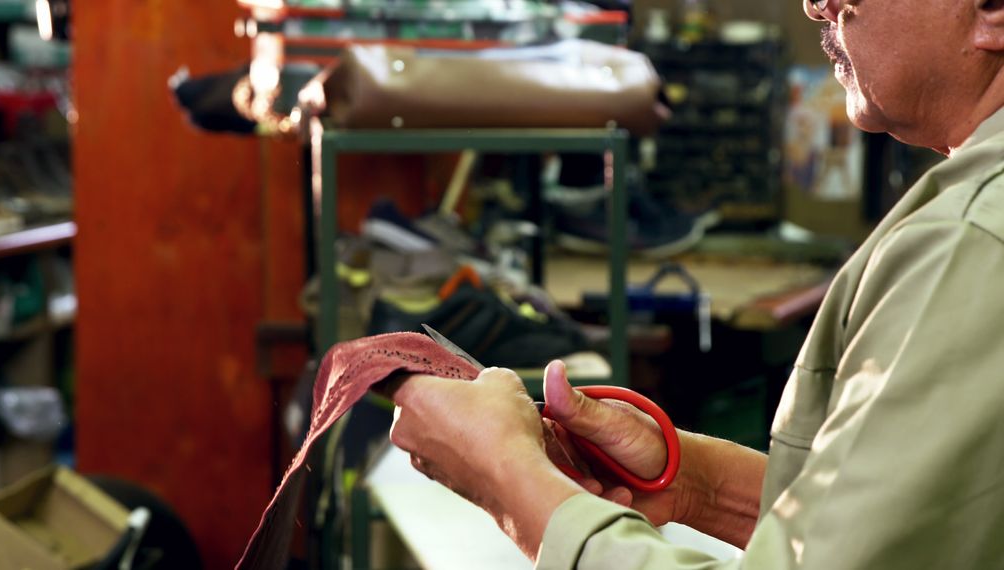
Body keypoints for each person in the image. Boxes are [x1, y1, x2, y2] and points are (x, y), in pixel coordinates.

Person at [386, 0, 1004, 567]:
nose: (817, 4)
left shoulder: (971, 240)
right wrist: (696, 485)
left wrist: (506, 478)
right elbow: (922, 528)